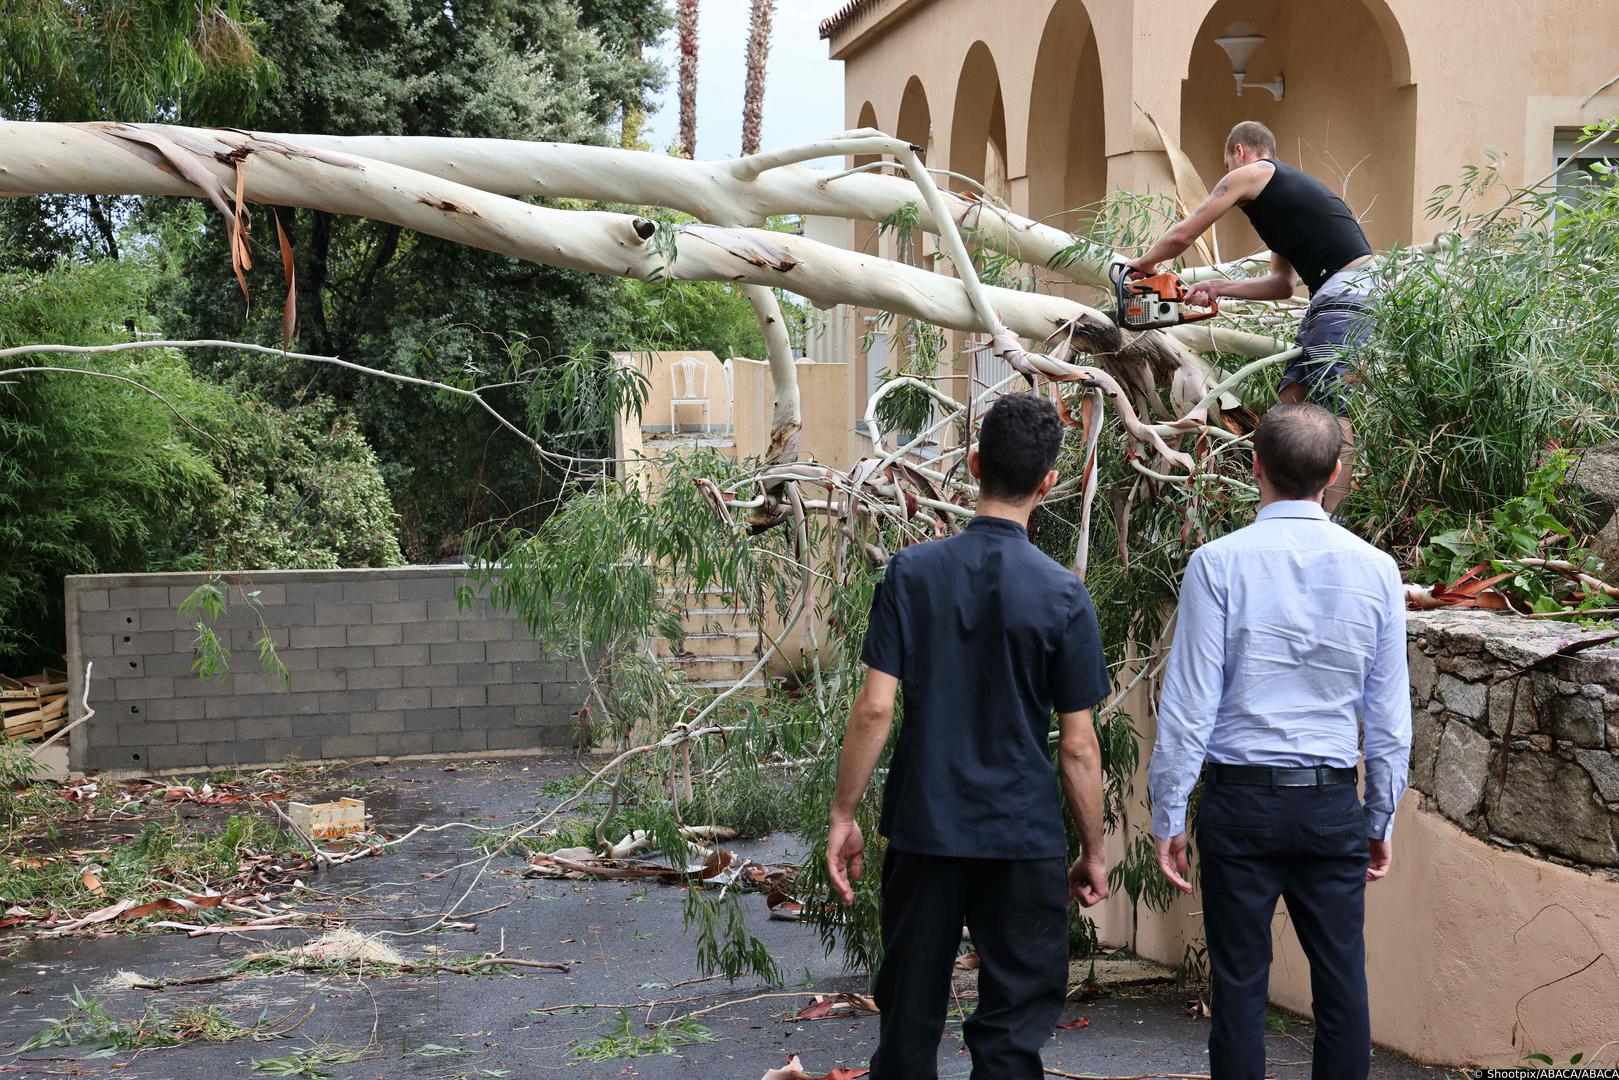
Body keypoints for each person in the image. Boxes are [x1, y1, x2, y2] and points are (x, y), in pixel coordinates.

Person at [825, 392, 1112, 1080]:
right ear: (1049, 482)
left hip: (927, 827)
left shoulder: (910, 574)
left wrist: (843, 815)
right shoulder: (1063, 595)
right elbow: (1077, 745)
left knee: (907, 1024)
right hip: (1021, 836)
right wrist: (1094, 850)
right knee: (1012, 1036)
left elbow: (874, 710)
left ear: (974, 464)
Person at [1147, 403, 1411, 1080]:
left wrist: (1169, 812)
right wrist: (1378, 817)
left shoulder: (1216, 564)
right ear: (1335, 473)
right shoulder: (1377, 570)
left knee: (1238, 987)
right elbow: (1387, 717)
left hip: (1240, 804)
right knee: (1342, 984)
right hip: (1330, 804)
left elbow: (1189, 702)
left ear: (1255, 465)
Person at [1126, 120, 1374, 511]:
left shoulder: (1255, 172)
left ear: (1239, 152)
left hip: (1348, 292)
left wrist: (1140, 265)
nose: (1228, 175)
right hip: (1330, 297)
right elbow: (1281, 285)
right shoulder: (1283, 208)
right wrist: (1218, 287)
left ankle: (1331, 521)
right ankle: (1285, 504)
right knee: (1290, 403)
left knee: (1336, 408)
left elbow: (1183, 235)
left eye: (1227, 166)